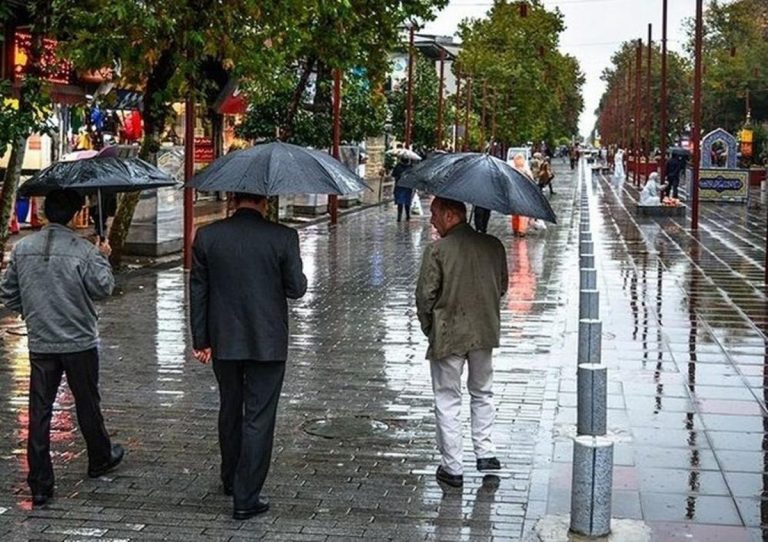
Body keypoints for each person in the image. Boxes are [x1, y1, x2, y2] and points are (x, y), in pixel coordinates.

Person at [0, 189, 123, 507]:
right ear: (73, 214)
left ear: (44, 213)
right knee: (87, 402)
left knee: (39, 411)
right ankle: (100, 457)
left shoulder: (23, 248)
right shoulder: (83, 250)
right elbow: (103, 288)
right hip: (78, 340)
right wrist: (103, 257)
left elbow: (8, 292)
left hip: (41, 340)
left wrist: (31, 311)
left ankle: (40, 483)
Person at [190, 192, 307, 520]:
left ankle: (230, 477)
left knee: (230, 407)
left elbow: (198, 290)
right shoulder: (283, 237)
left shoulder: (208, 236)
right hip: (267, 343)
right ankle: (246, 495)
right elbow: (296, 288)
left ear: (232, 200)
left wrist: (201, 339)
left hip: (224, 340)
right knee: (258, 417)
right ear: (264, 202)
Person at [416, 197, 508, 488]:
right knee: (482, 392)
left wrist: (430, 328)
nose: (432, 220)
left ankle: (453, 467)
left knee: (447, 398)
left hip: (448, 334)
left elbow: (425, 297)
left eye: (434, 214)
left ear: (451, 214)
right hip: (484, 332)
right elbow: (502, 286)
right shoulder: (493, 246)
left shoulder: (438, 250)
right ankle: (485, 451)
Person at [510, 153, 534, 236]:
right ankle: (521, 230)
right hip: (524, 194)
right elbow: (532, 182)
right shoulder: (526, 171)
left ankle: (515, 228)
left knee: (515, 213)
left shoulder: (512, 170)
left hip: (514, 194)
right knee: (523, 213)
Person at [392, 156, 414, 222]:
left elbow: (393, 175)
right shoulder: (410, 167)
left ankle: (399, 216)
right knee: (407, 201)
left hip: (399, 186)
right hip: (407, 186)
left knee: (400, 202)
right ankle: (407, 215)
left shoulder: (397, 166)